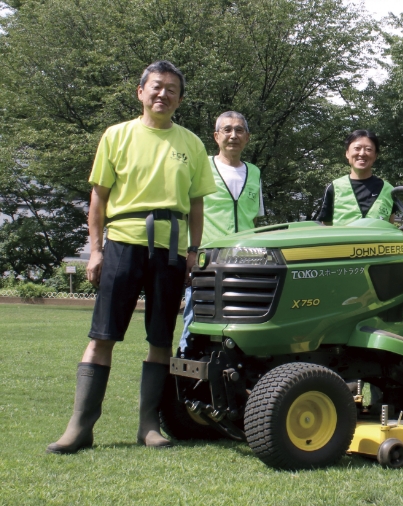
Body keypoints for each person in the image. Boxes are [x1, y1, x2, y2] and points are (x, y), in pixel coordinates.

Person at [46, 61, 217, 454]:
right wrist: (96, 250)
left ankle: (148, 426)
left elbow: (195, 205)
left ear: (180, 98)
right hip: (123, 240)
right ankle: (80, 428)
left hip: (171, 248)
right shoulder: (116, 135)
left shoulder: (191, 143)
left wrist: (193, 251)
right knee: (102, 336)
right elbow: (99, 199)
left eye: (172, 89)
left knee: (160, 338)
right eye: (156, 87)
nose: (163, 94)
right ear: (140, 92)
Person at [179, 111, 264, 354]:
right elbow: (188, 212)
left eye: (239, 130)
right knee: (195, 322)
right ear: (216, 136)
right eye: (227, 130)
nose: (233, 135)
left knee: (242, 323)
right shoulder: (200, 166)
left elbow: (255, 219)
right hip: (207, 260)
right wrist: (190, 253)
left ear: (247, 137)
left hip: (246, 262)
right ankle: (185, 373)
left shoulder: (255, 172)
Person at [317, 130, 397, 225]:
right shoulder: (334, 187)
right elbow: (326, 226)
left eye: (368, 149)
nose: (362, 153)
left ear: (375, 156)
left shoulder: (389, 190)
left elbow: (390, 227)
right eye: (357, 148)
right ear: (347, 153)